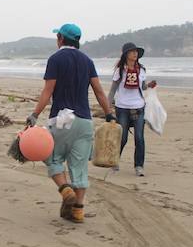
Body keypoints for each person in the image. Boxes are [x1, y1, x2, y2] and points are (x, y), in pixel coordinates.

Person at [27, 24, 114, 224]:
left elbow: (48, 91)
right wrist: (109, 114)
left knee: (51, 156)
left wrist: (34, 114)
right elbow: (99, 91)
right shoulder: (88, 61)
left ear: (60, 38)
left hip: (61, 121)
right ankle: (78, 212)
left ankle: (65, 190)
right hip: (84, 121)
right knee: (79, 166)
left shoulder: (55, 59)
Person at [108, 42, 157, 177]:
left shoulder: (142, 70)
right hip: (122, 108)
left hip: (139, 107)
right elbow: (112, 90)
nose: (135, 54)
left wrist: (149, 85)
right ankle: (114, 162)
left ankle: (139, 166)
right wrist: (107, 108)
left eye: (136, 52)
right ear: (126, 55)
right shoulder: (120, 71)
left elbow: (142, 87)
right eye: (132, 52)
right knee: (122, 138)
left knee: (139, 138)